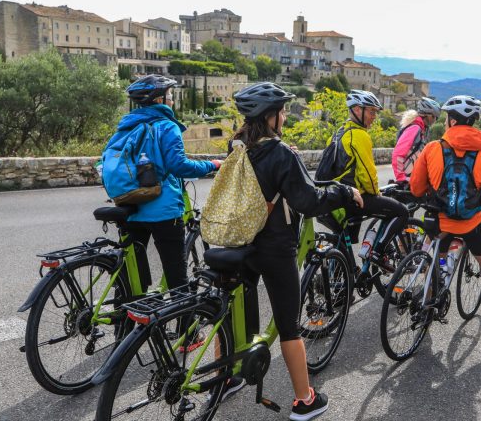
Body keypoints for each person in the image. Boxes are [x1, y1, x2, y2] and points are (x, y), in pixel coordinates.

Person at [228, 82, 363, 420]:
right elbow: (307, 200)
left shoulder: (237, 146)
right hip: (274, 246)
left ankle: (226, 376)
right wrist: (344, 193)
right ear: (270, 116)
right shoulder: (280, 153)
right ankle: (305, 400)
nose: (286, 116)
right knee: (289, 326)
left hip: (236, 241)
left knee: (233, 311)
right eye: (283, 111)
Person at [409, 95, 481, 342]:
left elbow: (416, 189)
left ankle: (426, 309)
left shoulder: (433, 148)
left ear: (452, 121)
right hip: (472, 224)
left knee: (434, 262)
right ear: (472, 121)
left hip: (439, 222)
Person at [104, 74, 221, 297]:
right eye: (170, 95)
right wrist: (212, 164)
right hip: (163, 211)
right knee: (178, 280)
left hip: (130, 207)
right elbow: (179, 166)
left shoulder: (126, 126)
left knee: (132, 279)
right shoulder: (167, 126)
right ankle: (186, 330)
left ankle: (125, 330)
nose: (173, 101)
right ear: (159, 100)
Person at [327, 89, 408, 261]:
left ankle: (341, 272)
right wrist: (376, 193)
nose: (374, 117)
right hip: (356, 197)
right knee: (401, 212)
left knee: (343, 243)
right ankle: (378, 251)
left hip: (335, 195)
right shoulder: (360, 135)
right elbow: (367, 174)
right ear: (357, 110)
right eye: (371, 111)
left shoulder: (338, 133)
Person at [392, 97, 441, 183]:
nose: (435, 120)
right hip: (408, 179)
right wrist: (401, 177)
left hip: (414, 177)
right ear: (427, 115)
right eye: (434, 117)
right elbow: (398, 153)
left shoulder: (422, 129)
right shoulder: (414, 128)